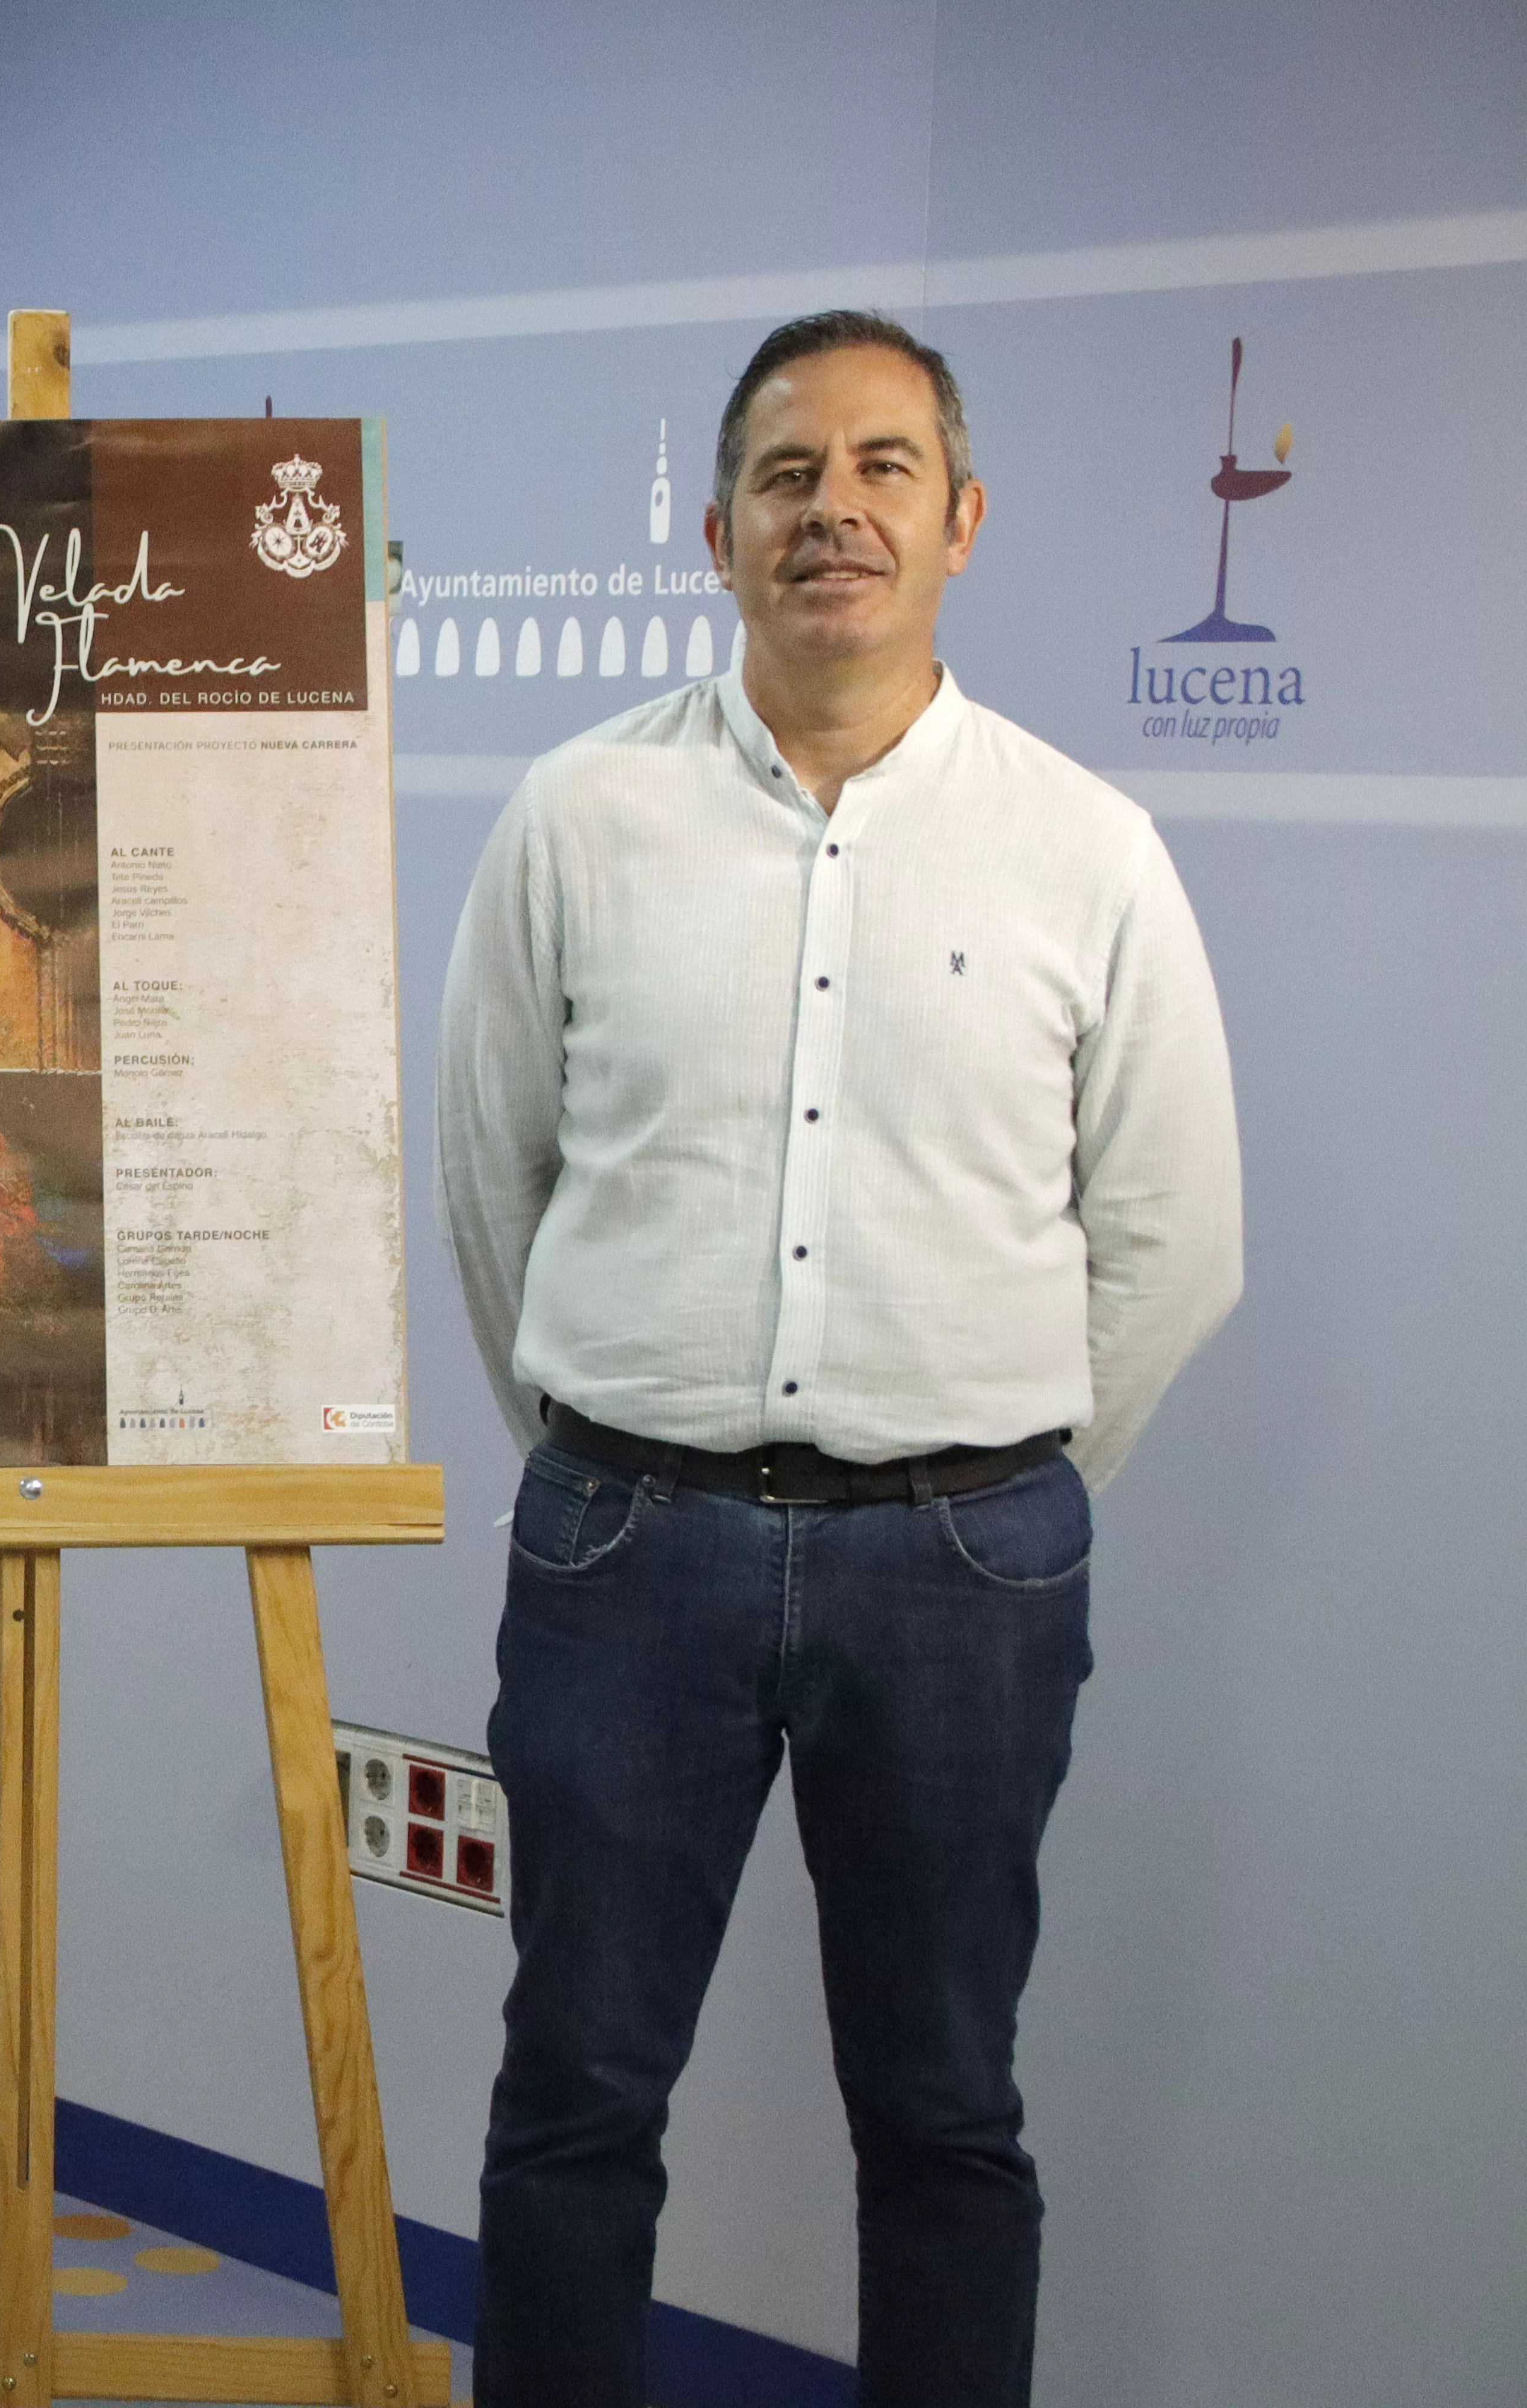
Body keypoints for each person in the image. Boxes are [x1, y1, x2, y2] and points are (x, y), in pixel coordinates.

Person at [437, 312, 1242, 2406]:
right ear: (716, 534)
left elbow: (1171, 1238)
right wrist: (613, 1440)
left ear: (962, 523)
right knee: (576, 2103)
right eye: (791, 476)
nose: (836, 512)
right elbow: (490, 1177)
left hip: (962, 1573)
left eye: (886, 468)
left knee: (948, 2118)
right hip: (632, 1547)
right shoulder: (575, 817)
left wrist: (1001, 1488)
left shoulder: (1086, 850)